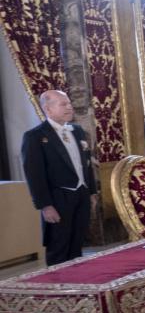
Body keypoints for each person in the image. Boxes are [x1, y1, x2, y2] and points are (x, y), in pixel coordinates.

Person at [21, 90, 98, 266]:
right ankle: (57, 288)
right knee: (59, 246)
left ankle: (78, 286)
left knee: (77, 245)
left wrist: (92, 192)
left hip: (81, 195)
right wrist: (45, 206)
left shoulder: (77, 131)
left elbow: (87, 164)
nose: (69, 107)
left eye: (69, 103)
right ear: (48, 109)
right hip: (58, 199)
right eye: (63, 104)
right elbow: (34, 175)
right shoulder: (35, 137)